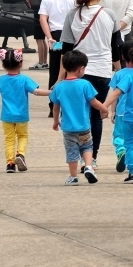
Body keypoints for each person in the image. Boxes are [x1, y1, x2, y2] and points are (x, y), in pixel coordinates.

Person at [59, 0, 121, 164]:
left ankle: (78, 154)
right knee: (96, 116)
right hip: (102, 72)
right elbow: (116, 47)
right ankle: (92, 156)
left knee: (79, 114)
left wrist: (60, 79)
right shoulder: (109, 15)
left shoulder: (72, 15)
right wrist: (119, 72)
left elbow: (66, 51)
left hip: (78, 72)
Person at [50, 50, 109, 185]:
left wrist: (55, 121)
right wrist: (104, 109)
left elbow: (55, 107)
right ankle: (88, 166)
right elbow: (93, 102)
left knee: (72, 152)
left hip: (68, 128)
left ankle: (73, 177)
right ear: (81, 69)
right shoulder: (85, 85)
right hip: (84, 126)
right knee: (87, 147)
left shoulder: (59, 87)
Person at [103, 42, 133, 184]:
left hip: (129, 118)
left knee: (130, 144)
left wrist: (104, 106)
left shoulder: (128, 77)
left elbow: (116, 93)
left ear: (130, 59)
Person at [0, 48, 50, 172]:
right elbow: (36, 91)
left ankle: (10, 164)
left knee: (9, 139)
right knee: (22, 136)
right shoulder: (24, 79)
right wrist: (51, 92)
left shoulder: (1, 79)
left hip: (6, 116)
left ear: (3, 65)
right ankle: (20, 154)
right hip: (21, 115)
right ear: (21, 63)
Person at [38, 0, 81, 115]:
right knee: (73, 69)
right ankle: (70, 104)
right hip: (73, 36)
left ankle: (53, 105)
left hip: (55, 36)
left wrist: (49, 37)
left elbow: (43, 18)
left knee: (55, 69)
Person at [104, 40, 133, 174]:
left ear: (123, 56)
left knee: (119, 136)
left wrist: (113, 111)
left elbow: (115, 94)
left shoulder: (119, 74)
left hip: (122, 112)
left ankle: (121, 151)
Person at [28, 0, 49, 69]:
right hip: (43, 13)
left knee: (39, 39)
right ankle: (44, 61)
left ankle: (41, 62)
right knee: (42, 39)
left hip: (38, 13)